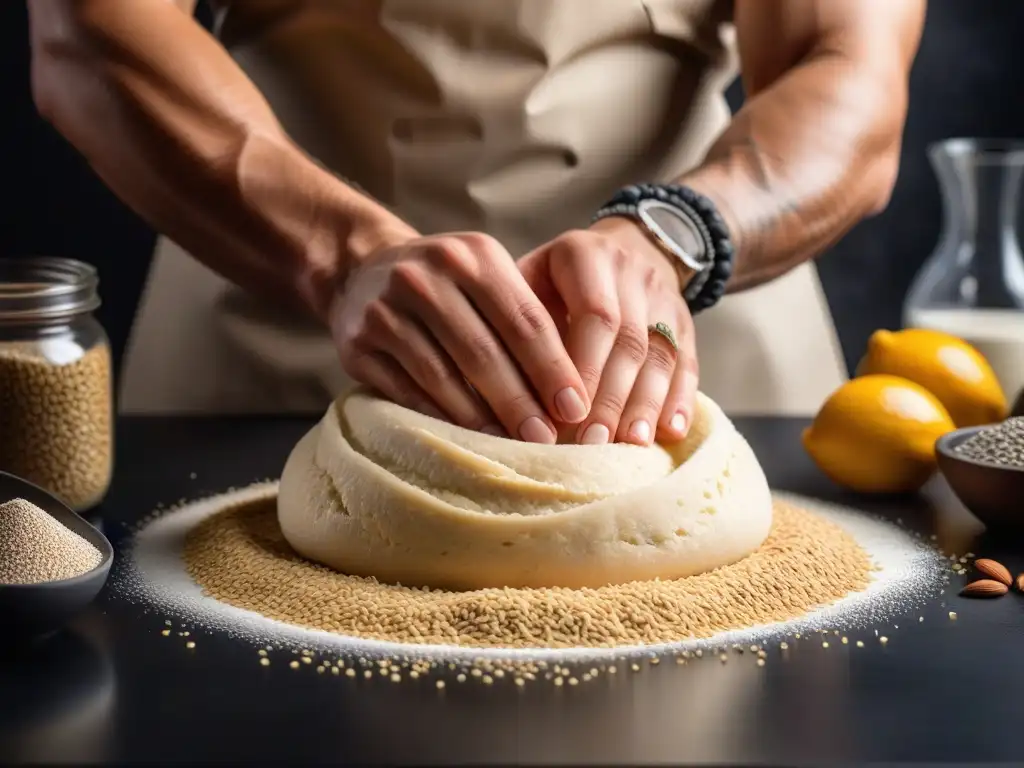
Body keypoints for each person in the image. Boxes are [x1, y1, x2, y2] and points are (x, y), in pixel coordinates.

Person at [28, 0, 925, 446]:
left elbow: (847, 64)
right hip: (276, 353)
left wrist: (675, 233)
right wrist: (344, 260)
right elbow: (90, 31)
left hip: (685, 369)